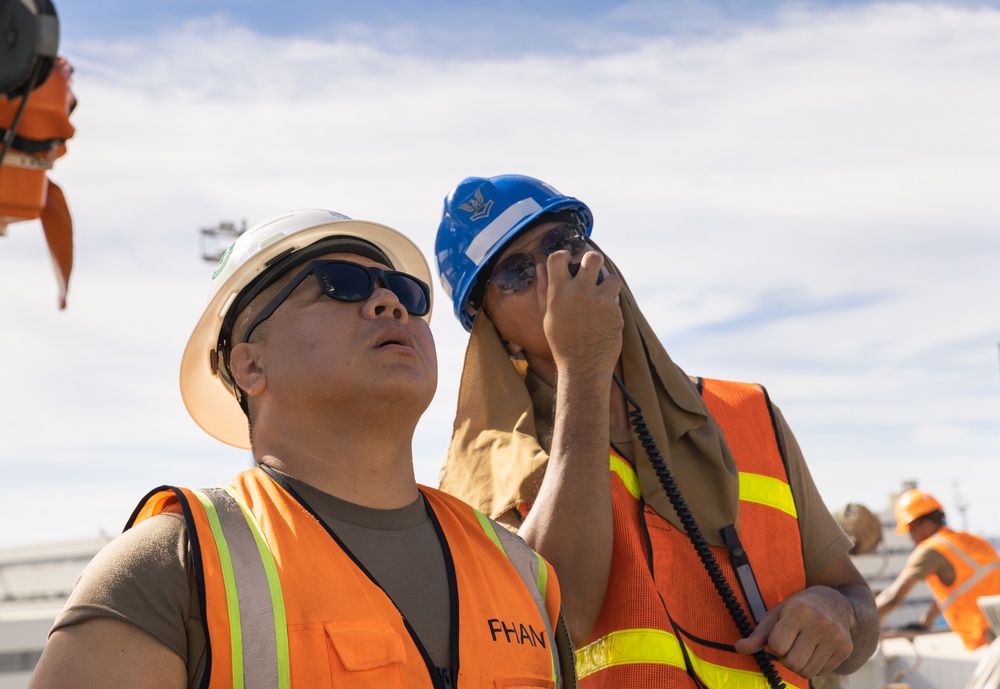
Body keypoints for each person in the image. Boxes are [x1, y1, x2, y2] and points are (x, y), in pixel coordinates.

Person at [29, 209, 575, 689]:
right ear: (249, 366)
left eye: (406, 293)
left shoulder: (522, 571)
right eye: (339, 284)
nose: (389, 303)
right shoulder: (171, 568)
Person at [433, 175, 879, 688]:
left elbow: (857, 608)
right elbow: (559, 621)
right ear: (494, 329)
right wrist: (584, 369)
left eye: (563, 243)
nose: (556, 272)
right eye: (516, 273)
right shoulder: (489, 474)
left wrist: (838, 611)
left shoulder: (747, 413)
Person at [876, 488, 1000, 649]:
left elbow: (892, 597)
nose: (911, 537)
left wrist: (860, 621)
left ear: (927, 525)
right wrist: (925, 623)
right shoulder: (971, 540)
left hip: (991, 636)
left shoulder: (931, 549)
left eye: (912, 530)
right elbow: (955, 592)